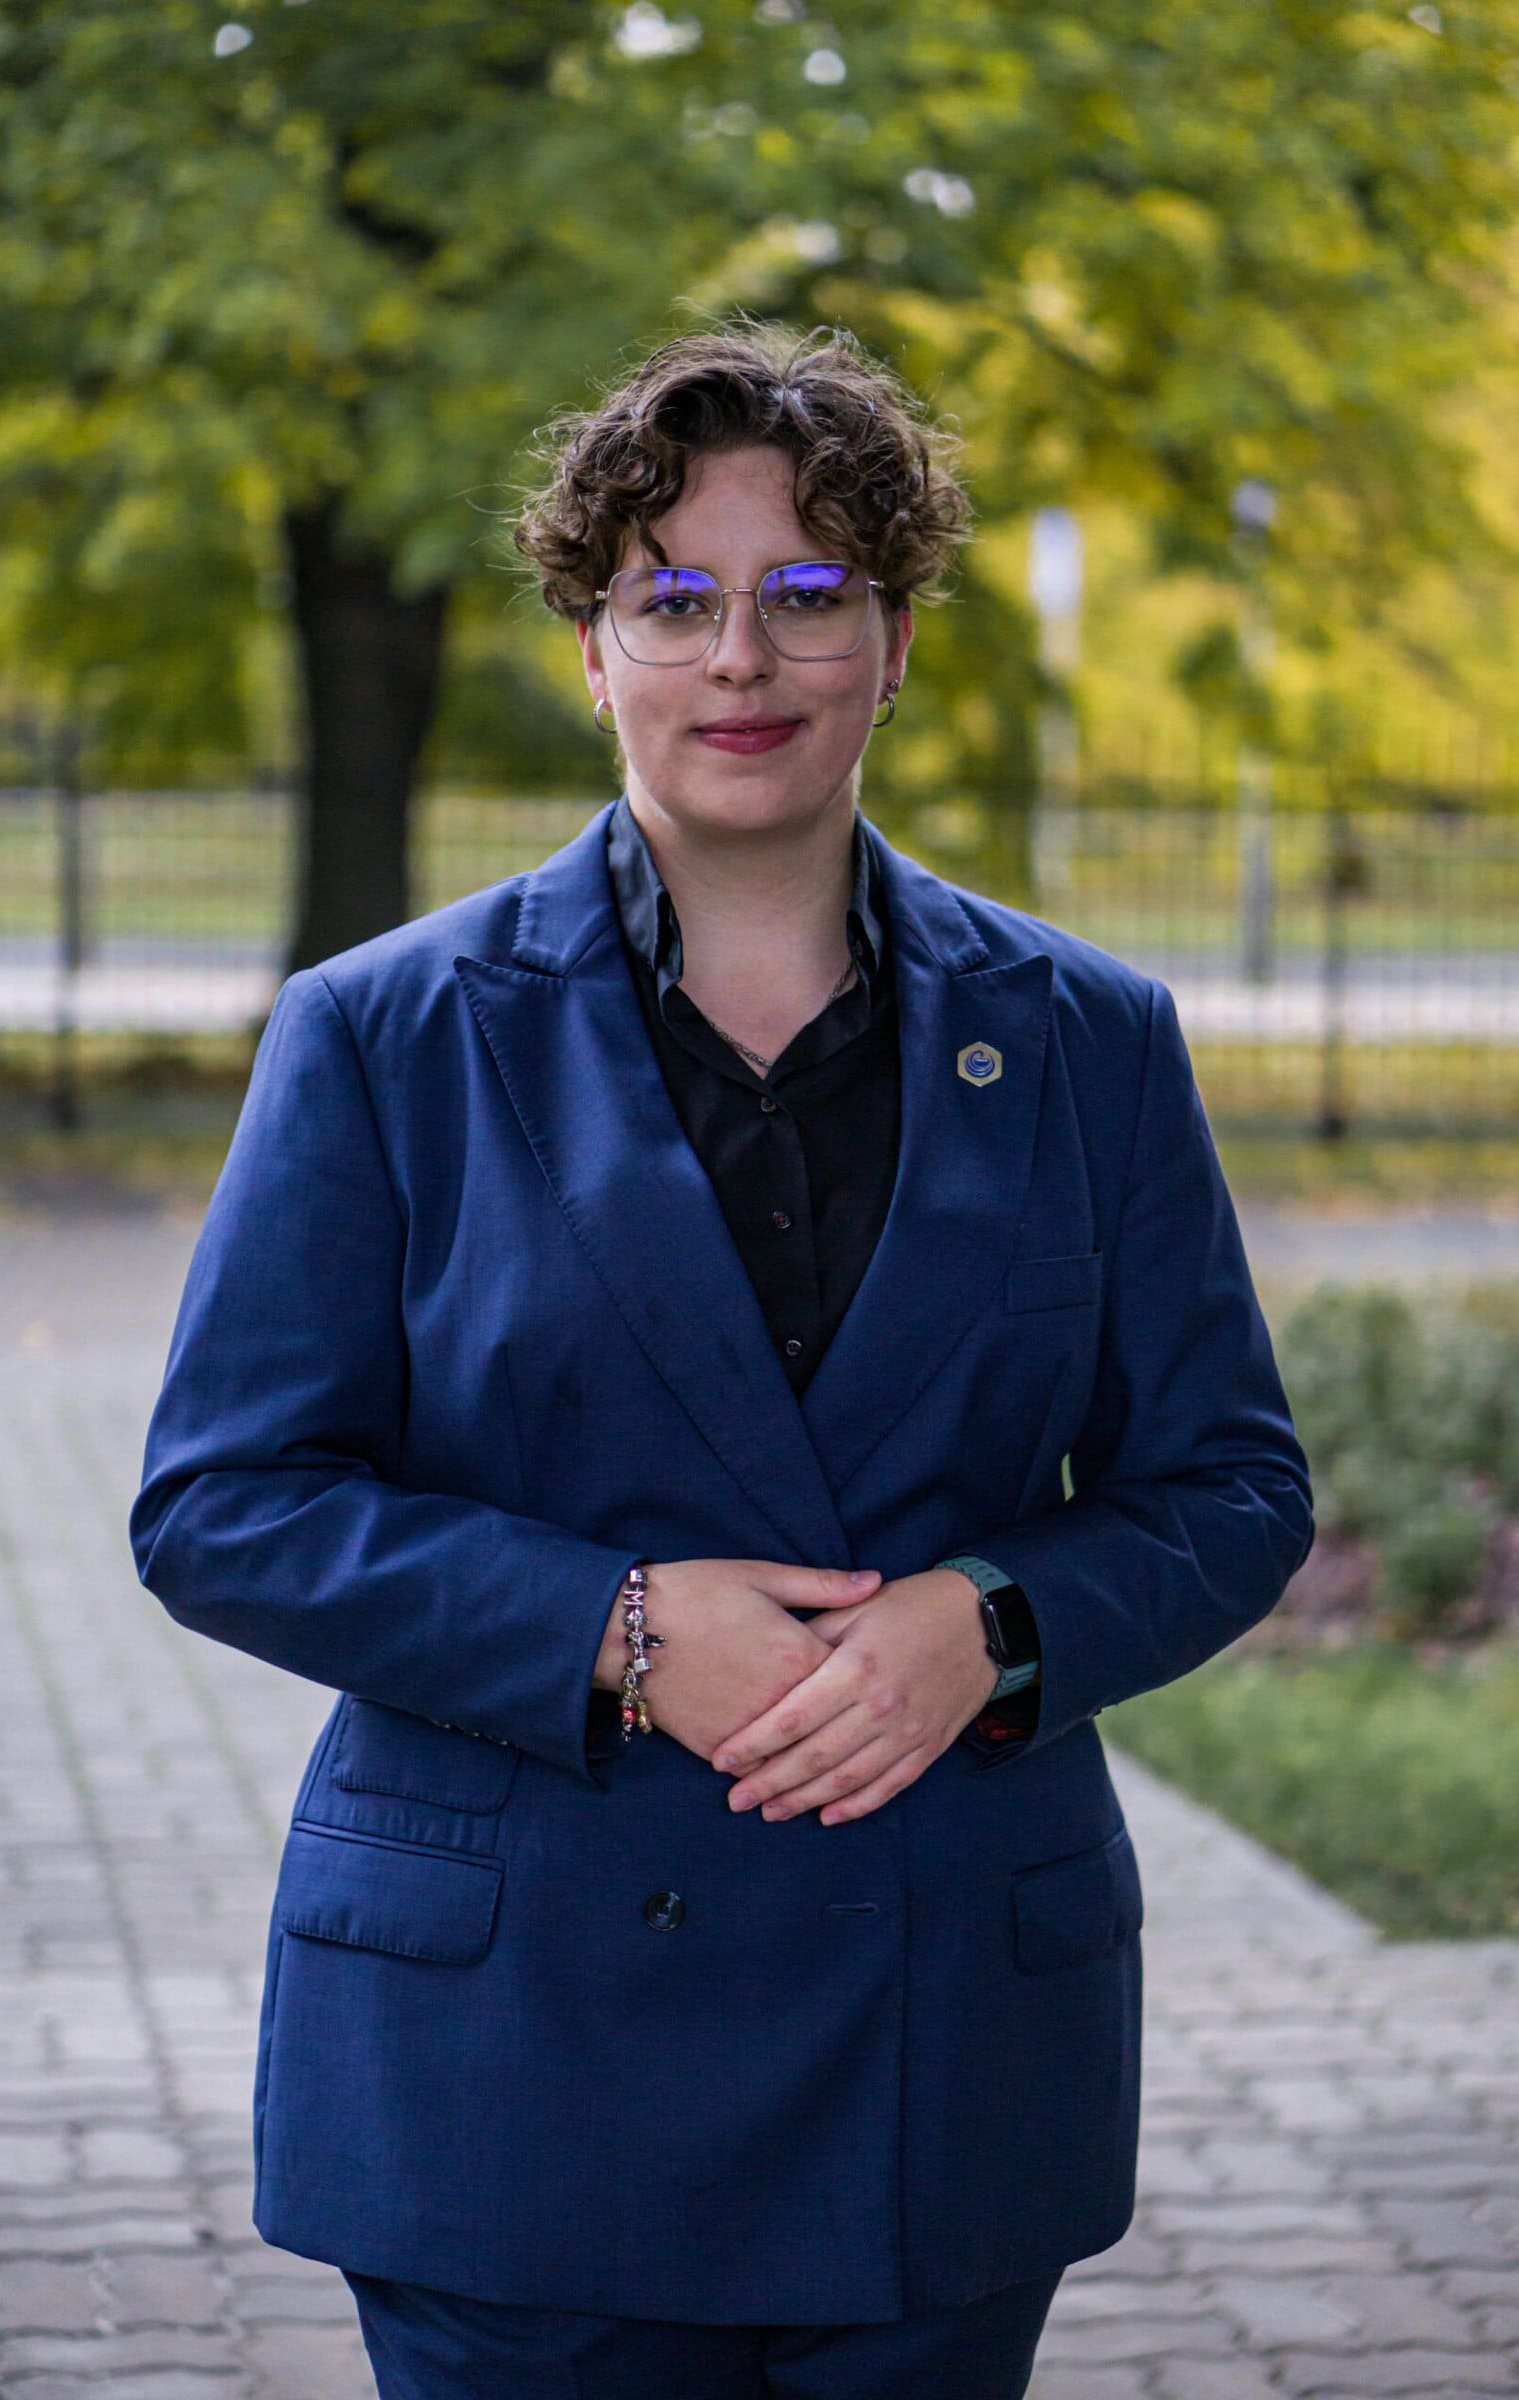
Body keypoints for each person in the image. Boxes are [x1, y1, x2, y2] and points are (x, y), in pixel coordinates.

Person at [130, 322, 1314, 2400]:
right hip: (513, 2058)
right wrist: (613, 1629)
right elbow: (224, 1507)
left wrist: (995, 1624)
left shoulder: (1085, 1041)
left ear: (894, 641)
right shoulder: (386, 1034)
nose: (739, 658)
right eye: (670, 600)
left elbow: (1229, 1489)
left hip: (937, 2044)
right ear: (592, 653)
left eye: (806, 594)